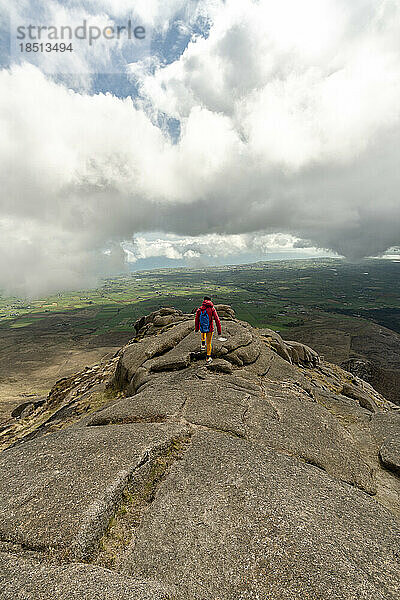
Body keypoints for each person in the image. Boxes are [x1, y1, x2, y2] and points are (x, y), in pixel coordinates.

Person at [194, 296, 222, 364]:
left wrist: (197, 328)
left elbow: (196, 320)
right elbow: (217, 320)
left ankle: (203, 345)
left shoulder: (199, 309)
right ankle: (208, 357)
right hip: (210, 328)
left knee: (203, 332)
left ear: (204, 301)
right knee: (209, 343)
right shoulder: (212, 309)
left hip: (202, 327)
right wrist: (219, 330)